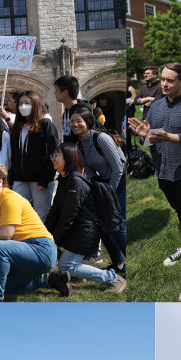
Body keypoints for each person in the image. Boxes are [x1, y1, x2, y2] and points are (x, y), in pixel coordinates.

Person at [127, 62, 181, 301]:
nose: (164, 83)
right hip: (164, 171)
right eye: (163, 79)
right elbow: (152, 137)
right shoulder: (157, 106)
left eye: (170, 80)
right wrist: (145, 136)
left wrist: (169, 137)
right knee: (180, 212)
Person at [45, 142, 125, 294]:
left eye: (56, 155)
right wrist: (45, 234)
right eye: (53, 155)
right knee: (57, 254)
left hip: (85, 232)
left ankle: (112, 278)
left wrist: (53, 239)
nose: (53, 159)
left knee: (65, 266)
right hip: (76, 230)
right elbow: (55, 211)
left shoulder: (75, 181)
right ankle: (76, 273)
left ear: (68, 158)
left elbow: (68, 216)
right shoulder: (64, 179)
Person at [0, 163, 58, 302]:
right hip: (20, 252)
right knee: (5, 285)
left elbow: (6, 233)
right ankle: (49, 279)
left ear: (0, 181)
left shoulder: (9, 198)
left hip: (41, 249)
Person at [69, 105, 127, 274]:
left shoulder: (101, 138)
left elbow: (118, 167)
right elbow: (89, 172)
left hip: (118, 181)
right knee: (102, 225)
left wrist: (110, 193)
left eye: (78, 121)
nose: (74, 125)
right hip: (104, 183)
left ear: (88, 122)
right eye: (72, 122)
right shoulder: (80, 144)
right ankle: (119, 263)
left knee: (117, 224)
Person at [6, 91, 61, 221]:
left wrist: (45, 178)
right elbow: (15, 155)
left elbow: (53, 152)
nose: (23, 106)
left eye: (27, 103)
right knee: (17, 211)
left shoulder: (46, 125)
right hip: (20, 178)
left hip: (40, 179)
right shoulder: (17, 128)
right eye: (20, 103)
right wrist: (12, 177)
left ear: (35, 104)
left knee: (41, 213)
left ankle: (41, 240)